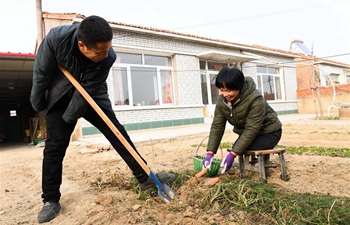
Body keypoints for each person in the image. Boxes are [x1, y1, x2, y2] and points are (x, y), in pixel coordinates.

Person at [30, 15, 174, 223]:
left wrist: (68, 119)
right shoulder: (55, 40)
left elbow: (84, 94)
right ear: (82, 45)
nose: (106, 55)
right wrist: (39, 105)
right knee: (55, 146)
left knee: (117, 133)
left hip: (91, 91)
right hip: (60, 93)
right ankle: (50, 200)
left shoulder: (108, 57)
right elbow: (41, 75)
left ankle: (145, 178)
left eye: (108, 49)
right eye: (100, 52)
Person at [202, 67, 282, 173]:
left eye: (229, 90)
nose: (225, 94)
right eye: (222, 90)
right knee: (240, 146)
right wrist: (210, 153)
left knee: (240, 147)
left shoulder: (255, 99)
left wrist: (232, 154)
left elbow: (252, 128)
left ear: (239, 87)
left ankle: (260, 169)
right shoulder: (223, 101)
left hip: (269, 132)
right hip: (250, 133)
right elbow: (217, 126)